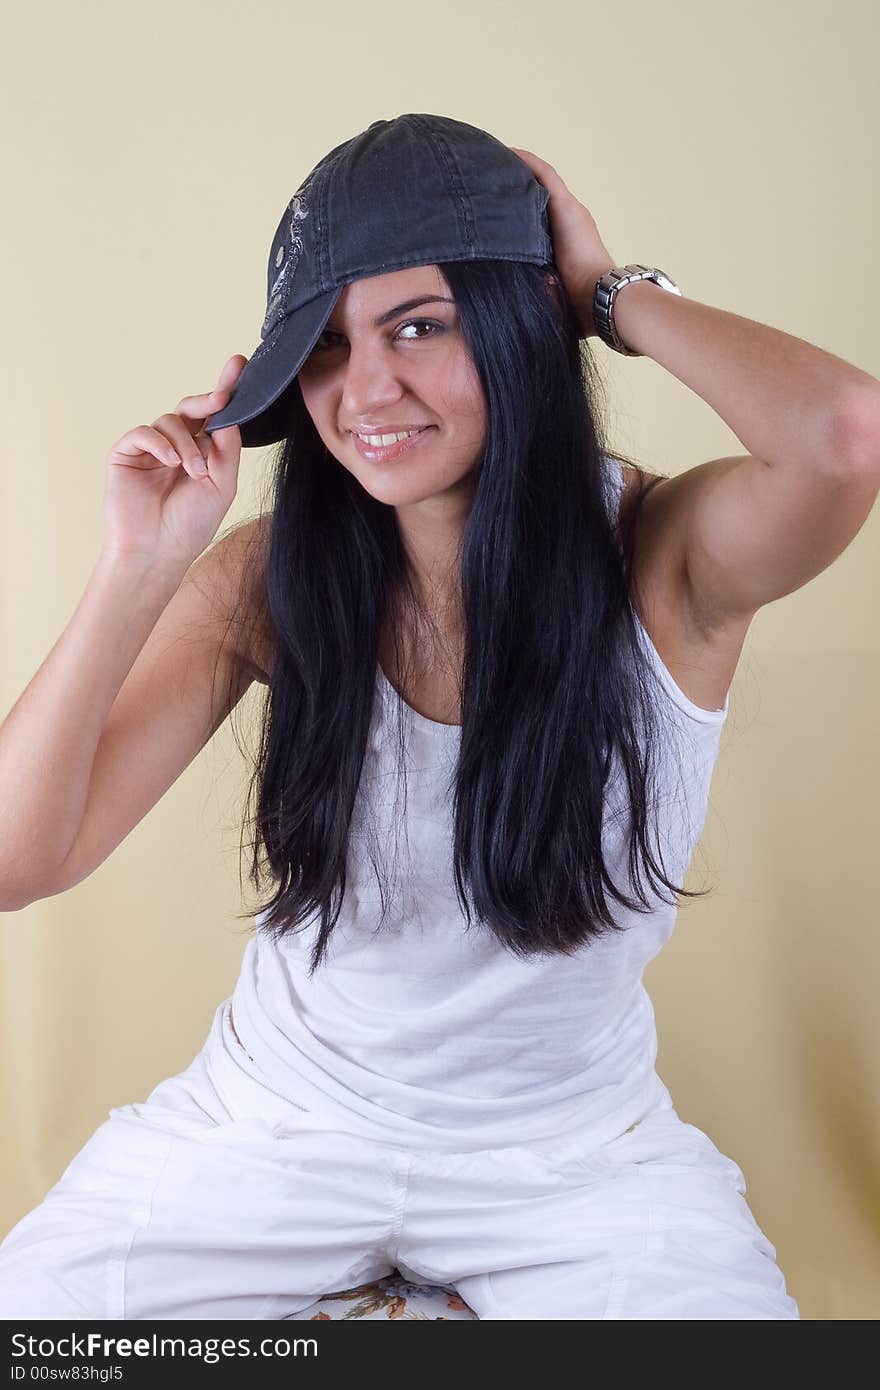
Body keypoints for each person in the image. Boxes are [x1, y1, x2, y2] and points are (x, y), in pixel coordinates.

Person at [1, 112, 877, 1321]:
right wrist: (136, 568)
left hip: (572, 1160)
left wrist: (608, 294)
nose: (364, 391)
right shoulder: (268, 576)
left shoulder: (666, 561)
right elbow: (13, 860)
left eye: (420, 326)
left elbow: (843, 436)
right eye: (323, 347)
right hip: (274, 1127)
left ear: (522, 326)